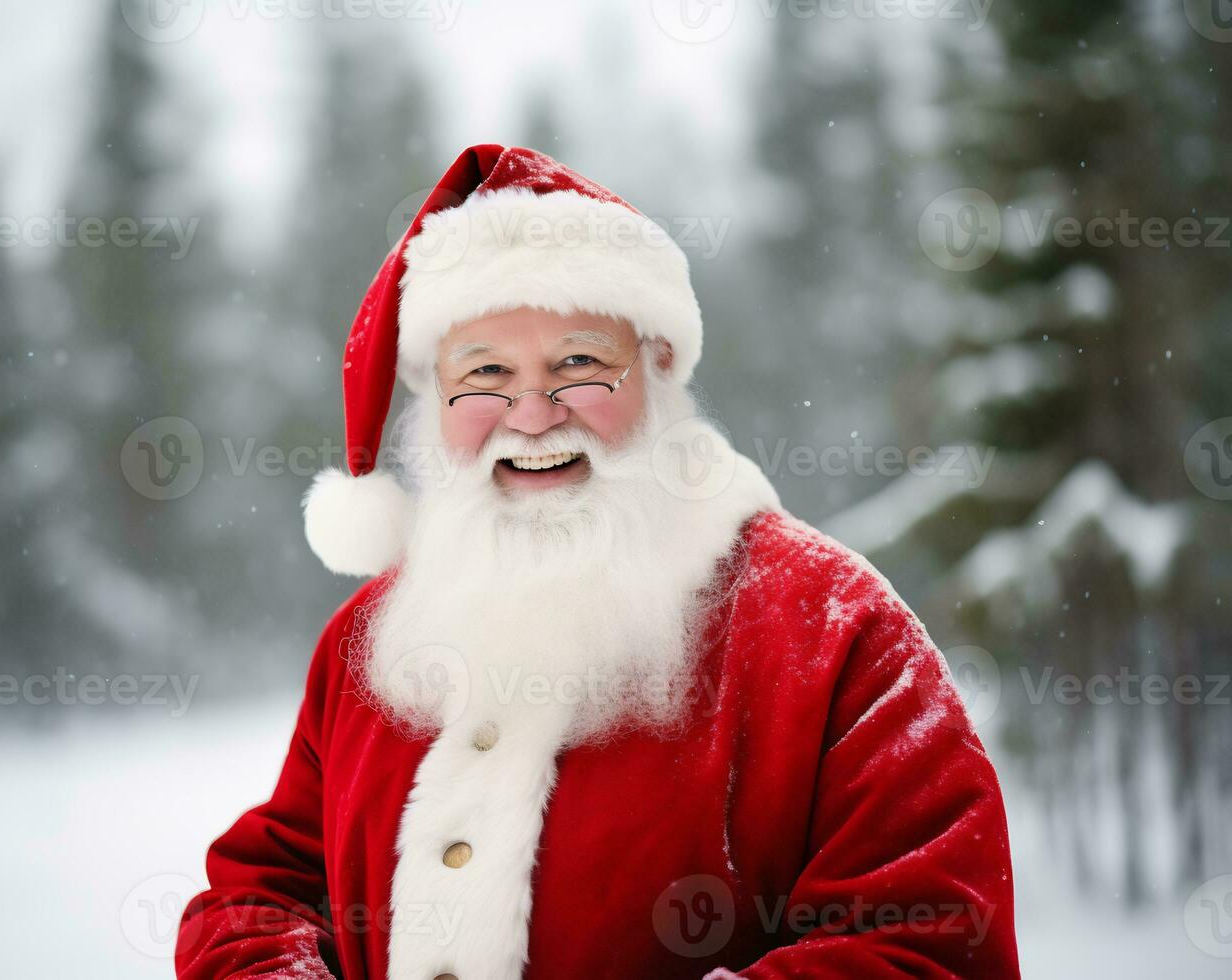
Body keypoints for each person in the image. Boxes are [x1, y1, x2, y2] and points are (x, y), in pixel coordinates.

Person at [176, 144, 1019, 980]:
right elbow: (260, 897)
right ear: (433, 402)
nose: (533, 415)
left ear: (657, 372)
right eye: (485, 374)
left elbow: (933, 940)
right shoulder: (372, 640)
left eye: (579, 364)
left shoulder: (832, 627)